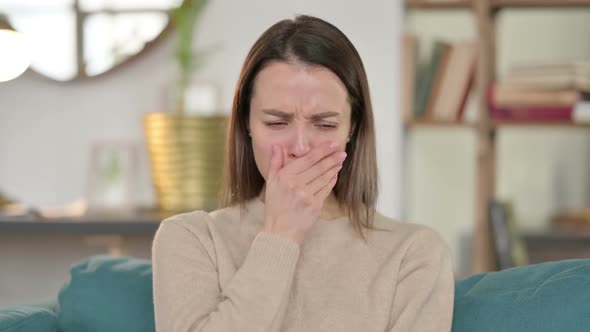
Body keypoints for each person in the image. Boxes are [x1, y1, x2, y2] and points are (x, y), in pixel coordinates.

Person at [152, 14, 454, 332]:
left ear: (352, 128)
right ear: (246, 123)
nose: (299, 147)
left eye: (324, 124)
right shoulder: (192, 239)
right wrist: (281, 236)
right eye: (276, 122)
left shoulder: (415, 253)